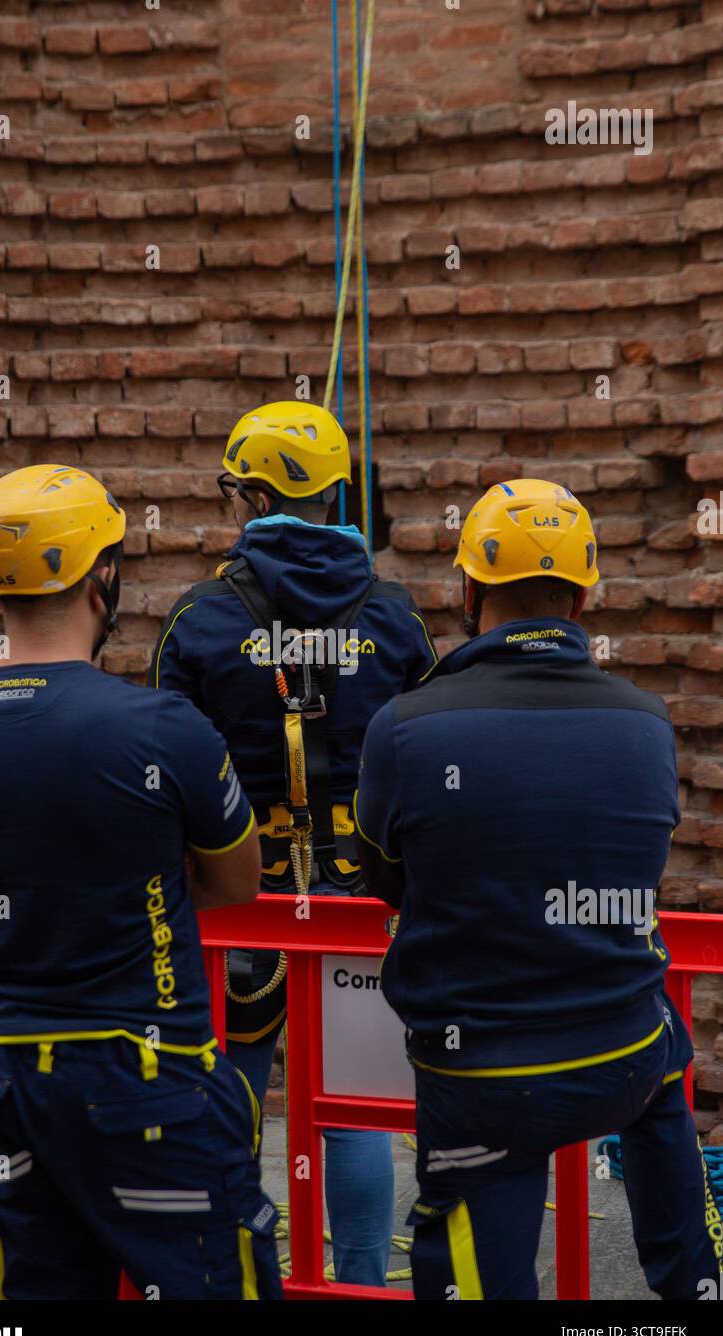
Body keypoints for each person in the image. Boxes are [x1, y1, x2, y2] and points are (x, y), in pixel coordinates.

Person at [0, 465, 281, 1300]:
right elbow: (237, 881)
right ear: (101, 576)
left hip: (0, 1084)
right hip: (150, 1078)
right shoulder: (163, 726)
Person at [355, 477, 723, 1301]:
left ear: (468, 589)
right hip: (625, 1056)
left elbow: (386, 877)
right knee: (663, 1049)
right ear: (583, 596)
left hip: (482, 1077)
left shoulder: (404, 727)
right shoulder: (646, 721)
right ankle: (698, 1281)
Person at [150, 400, 437, 1285]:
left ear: (258, 496)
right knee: (350, 1109)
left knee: (231, 1093)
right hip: (357, 901)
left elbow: (164, 773)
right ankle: (359, 1284)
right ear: (333, 495)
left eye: (236, 490)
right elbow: (426, 762)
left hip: (237, 904)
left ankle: (229, 1276)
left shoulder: (200, 619)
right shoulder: (394, 616)